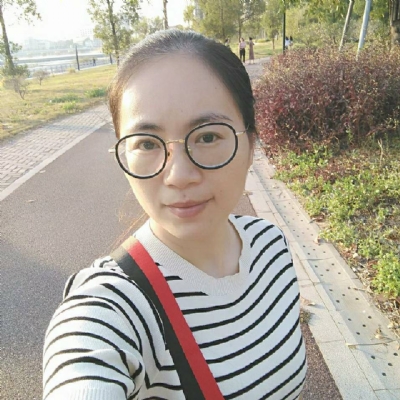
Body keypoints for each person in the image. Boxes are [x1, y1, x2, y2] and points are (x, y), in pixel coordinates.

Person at [43, 30, 306, 400]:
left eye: (208, 136)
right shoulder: (110, 307)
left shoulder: (272, 245)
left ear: (251, 143)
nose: (179, 175)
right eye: (147, 144)